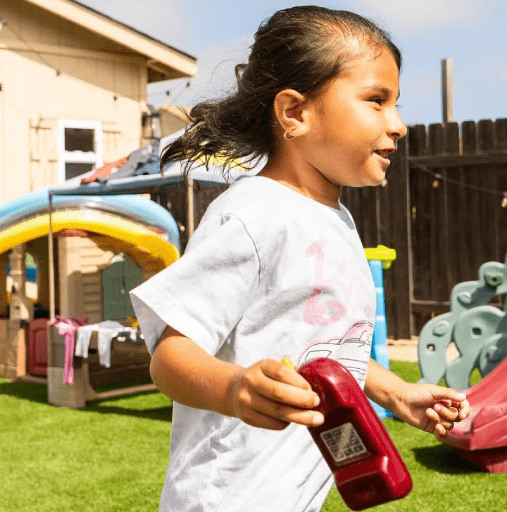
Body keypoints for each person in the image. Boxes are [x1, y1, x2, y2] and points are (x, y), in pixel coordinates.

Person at [130, 6, 471, 512]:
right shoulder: (252, 215)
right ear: (295, 113)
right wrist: (235, 388)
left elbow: (325, 345)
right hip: (226, 500)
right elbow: (168, 358)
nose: (397, 124)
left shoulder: (335, 219)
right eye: (376, 101)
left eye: (395, 104)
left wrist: (395, 392)